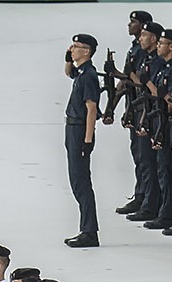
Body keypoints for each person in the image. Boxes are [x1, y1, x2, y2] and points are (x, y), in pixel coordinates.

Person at [64, 34, 102, 248]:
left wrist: (87, 139)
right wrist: (68, 59)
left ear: (86, 51)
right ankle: (86, 228)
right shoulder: (81, 71)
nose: (72, 48)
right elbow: (68, 73)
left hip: (79, 130)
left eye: (76, 47)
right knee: (76, 180)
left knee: (81, 182)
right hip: (73, 128)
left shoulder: (88, 76)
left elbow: (91, 109)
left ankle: (89, 231)